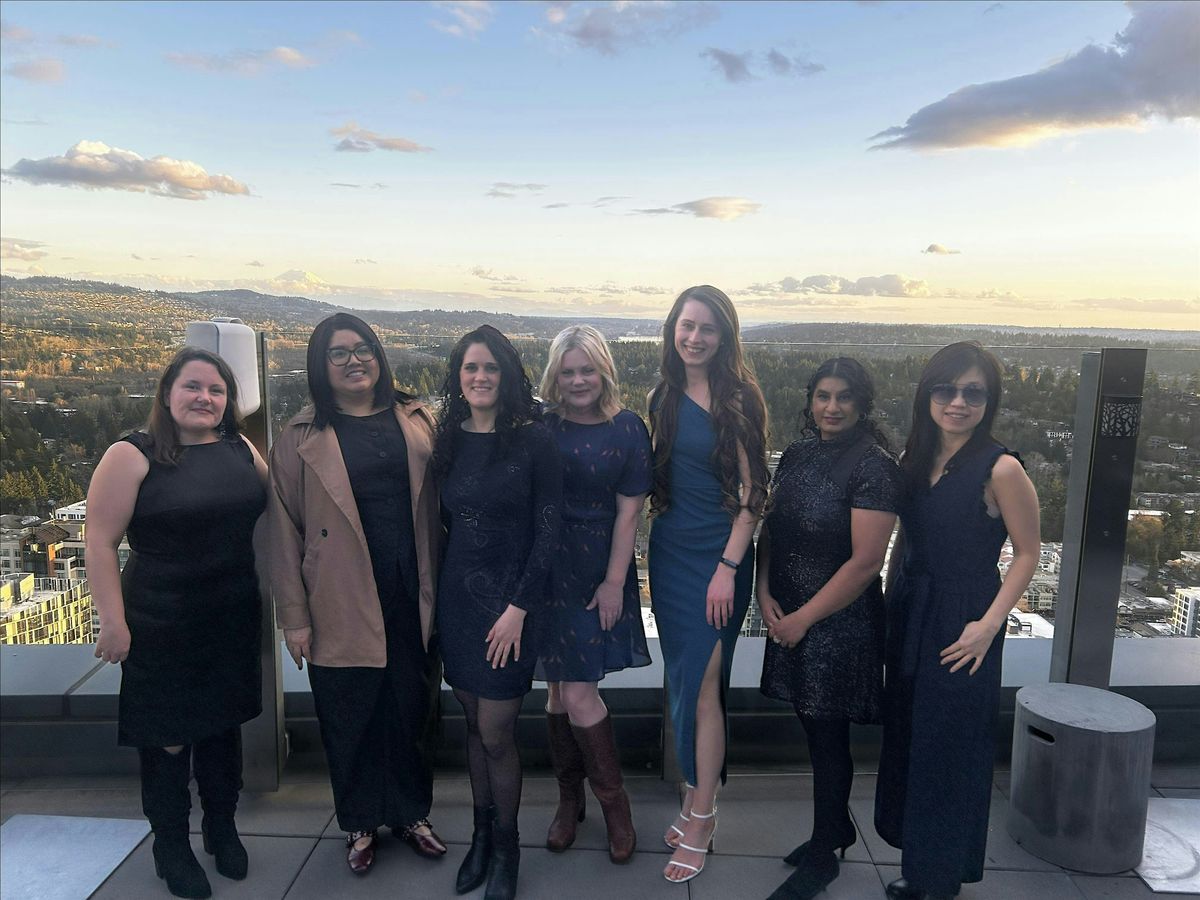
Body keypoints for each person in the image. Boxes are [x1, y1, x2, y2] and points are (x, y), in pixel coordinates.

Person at [267, 313, 446, 877]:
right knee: (350, 714)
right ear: (320, 366)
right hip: (338, 598)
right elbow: (282, 533)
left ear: (378, 355)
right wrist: (294, 617)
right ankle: (360, 822)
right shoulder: (298, 438)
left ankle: (412, 815)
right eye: (338, 353)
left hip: (412, 590)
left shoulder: (417, 419)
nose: (354, 360)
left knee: (413, 709)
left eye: (363, 348)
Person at [88, 347, 267, 899]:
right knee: (167, 737)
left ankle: (222, 826)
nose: (204, 398)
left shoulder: (240, 448)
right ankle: (171, 844)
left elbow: (283, 505)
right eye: (193, 386)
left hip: (230, 614)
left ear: (229, 401)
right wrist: (112, 621)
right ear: (167, 394)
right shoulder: (132, 454)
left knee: (223, 727)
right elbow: (99, 542)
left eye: (216, 390)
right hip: (162, 620)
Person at [874, 341, 1040, 900]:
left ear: (989, 402)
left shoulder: (1001, 468)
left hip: (965, 618)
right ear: (927, 395)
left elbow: (1028, 553)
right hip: (912, 609)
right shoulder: (916, 458)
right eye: (946, 389)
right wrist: (889, 603)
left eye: (974, 393)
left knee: (951, 746)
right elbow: (905, 539)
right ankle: (921, 862)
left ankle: (940, 877)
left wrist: (989, 625)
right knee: (912, 736)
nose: (958, 402)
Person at [756, 358, 901, 900]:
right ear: (810, 400)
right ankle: (834, 828)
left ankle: (824, 853)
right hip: (791, 611)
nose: (832, 407)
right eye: (822, 396)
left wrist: (803, 618)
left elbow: (866, 563)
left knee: (827, 735)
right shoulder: (797, 453)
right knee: (812, 724)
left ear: (862, 404)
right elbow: (771, 528)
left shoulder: (874, 467)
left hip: (840, 621)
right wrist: (763, 592)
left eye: (843, 397)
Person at [647, 285, 770, 884]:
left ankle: (703, 815)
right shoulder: (663, 396)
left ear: (725, 337)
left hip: (719, 559)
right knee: (683, 681)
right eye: (686, 325)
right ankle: (695, 799)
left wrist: (727, 569)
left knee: (703, 689)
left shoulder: (738, 399)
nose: (694, 338)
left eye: (707, 328)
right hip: (670, 554)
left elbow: (754, 495)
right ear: (673, 329)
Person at [434, 325, 562, 900]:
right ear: (458, 377)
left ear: (506, 374)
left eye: (490, 367)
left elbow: (548, 532)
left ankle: (507, 848)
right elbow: (446, 525)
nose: (481, 377)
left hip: (513, 608)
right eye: (471, 367)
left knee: (496, 731)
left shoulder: (534, 439)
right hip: (458, 603)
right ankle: (480, 837)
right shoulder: (449, 437)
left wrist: (518, 608)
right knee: (471, 722)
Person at [534, 325, 652, 864]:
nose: (578, 380)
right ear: (555, 375)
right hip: (545, 570)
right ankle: (569, 800)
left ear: (604, 371)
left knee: (580, 693)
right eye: (568, 371)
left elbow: (630, 514)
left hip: (597, 569)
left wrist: (612, 583)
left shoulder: (627, 428)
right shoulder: (541, 425)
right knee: (557, 692)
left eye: (587, 370)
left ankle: (615, 807)